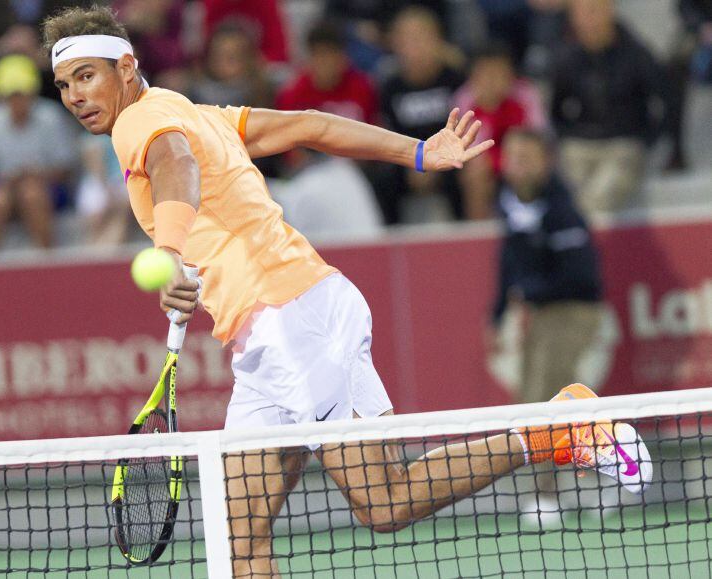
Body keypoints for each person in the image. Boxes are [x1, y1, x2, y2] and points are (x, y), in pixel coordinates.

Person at [43, 6, 650, 576]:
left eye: (86, 76)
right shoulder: (195, 113)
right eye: (65, 84)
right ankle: (555, 426)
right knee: (240, 533)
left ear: (126, 67)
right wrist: (415, 150)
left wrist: (170, 252)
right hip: (277, 328)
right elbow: (309, 126)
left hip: (289, 319)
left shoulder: (143, 123)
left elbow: (178, 164)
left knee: (381, 501)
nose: (76, 96)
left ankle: (558, 427)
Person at [489, 128, 604, 408]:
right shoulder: (509, 202)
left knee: (547, 398)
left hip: (573, 310)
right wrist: (498, 314)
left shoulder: (562, 209)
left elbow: (580, 276)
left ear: (544, 162)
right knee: (529, 398)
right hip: (541, 312)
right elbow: (509, 261)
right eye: (513, 158)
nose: (518, 166)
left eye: (526, 158)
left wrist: (530, 291)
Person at [550, 0, 668, 217]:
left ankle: (577, 238)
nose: (588, 20)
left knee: (599, 195)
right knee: (565, 187)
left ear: (610, 11)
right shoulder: (566, 58)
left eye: (594, 11)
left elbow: (665, 99)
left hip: (623, 142)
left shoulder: (636, 53)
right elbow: (556, 110)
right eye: (581, 14)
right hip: (581, 143)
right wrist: (568, 135)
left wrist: (646, 139)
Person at [0, 54, 76, 252]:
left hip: (47, 190)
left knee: (31, 193)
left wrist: (36, 176)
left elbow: (65, 169)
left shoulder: (51, 118)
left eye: (22, 94)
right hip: (1, 188)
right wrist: (5, 180)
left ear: (32, 93)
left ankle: (47, 262)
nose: (17, 102)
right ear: (0, 96)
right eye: (11, 96)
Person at [380, 6, 467, 223]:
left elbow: (465, 128)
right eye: (407, 40)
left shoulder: (455, 79)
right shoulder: (390, 87)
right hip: (407, 160)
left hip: (450, 157)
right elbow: (388, 134)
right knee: (382, 180)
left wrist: (437, 163)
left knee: (466, 173)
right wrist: (416, 162)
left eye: (420, 38)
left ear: (437, 41)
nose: (415, 48)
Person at [452, 43, 547, 220]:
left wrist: (515, 159)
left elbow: (538, 139)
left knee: (530, 163)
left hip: (523, 157)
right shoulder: (464, 99)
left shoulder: (527, 94)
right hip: (487, 160)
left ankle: (532, 225)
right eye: (485, 74)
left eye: (498, 74)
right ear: (474, 77)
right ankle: (479, 232)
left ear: (510, 75)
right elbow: (469, 149)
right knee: (474, 173)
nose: (492, 81)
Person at [275, 20, 378, 124]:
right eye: (320, 56)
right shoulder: (292, 95)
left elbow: (375, 130)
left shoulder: (362, 88)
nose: (326, 63)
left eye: (331, 55)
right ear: (310, 59)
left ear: (343, 57)